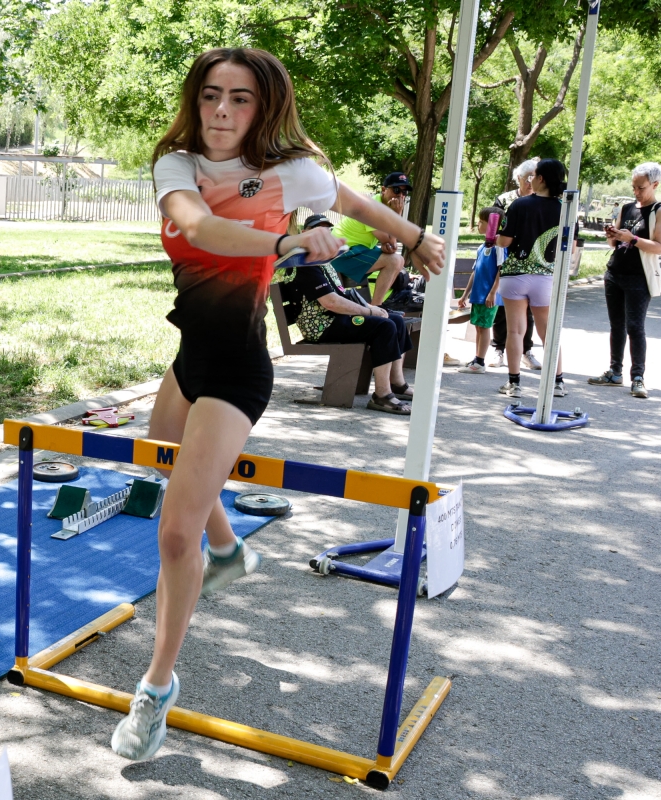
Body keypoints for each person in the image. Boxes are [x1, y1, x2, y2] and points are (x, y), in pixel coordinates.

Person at [110, 47, 444, 762]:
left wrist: (413, 237)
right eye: (210, 96)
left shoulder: (289, 171)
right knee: (164, 451)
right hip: (188, 356)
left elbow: (349, 200)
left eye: (239, 99)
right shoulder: (178, 165)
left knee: (174, 536)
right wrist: (288, 237)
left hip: (237, 367)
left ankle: (157, 691)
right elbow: (198, 229)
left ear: (263, 107)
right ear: (195, 101)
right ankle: (227, 550)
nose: (222, 112)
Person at [279, 214, 415, 413]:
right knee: (384, 325)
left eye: (327, 230)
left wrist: (372, 311)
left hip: (335, 320)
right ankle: (382, 395)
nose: (324, 235)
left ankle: (397, 384)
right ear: (304, 234)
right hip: (321, 327)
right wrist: (369, 310)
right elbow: (331, 302)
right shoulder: (305, 264)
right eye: (317, 230)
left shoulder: (323, 261)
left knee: (393, 319)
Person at [588, 162, 661, 399]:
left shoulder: (660, 211)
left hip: (639, 276)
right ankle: (615, 371)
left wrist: (632, 238)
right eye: (633, 187)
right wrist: (612, 236)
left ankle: (638, 377)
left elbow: (659, 247)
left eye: (641, 187)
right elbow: (615, 242)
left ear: (654, 185)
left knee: (635, 327)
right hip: (615, 273)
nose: (636, 192)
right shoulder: (626, 208)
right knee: (617, 325)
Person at [494, 158, 567, 399]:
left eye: (533, 175)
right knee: (548, 332)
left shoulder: (519, 205)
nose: (529, 179)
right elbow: (570, 246)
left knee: (515, 331)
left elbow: (504, 241)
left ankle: (514, 383)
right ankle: (557, 382)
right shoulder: (564, 209)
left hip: (515, 274)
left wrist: (496, 237)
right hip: (546, 276)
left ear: (541, 179)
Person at [328, 171, 410, 305]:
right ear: (384, 190)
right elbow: (392, 243)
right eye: (396, 190)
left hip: (354, 251)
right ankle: (376, 307)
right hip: (340, 255)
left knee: (396, 260)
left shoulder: (383, 207)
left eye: (404, 192)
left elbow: (390, 244)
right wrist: (398, 214)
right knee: (395, 261)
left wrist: (385, 245)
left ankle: (376, 307)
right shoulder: (371, 208)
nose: (400, 196)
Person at [491, 159, 539, 371]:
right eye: (526, 178)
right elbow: (493, 227)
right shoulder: (504, 199)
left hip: (531, 260)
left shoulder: (542, 200)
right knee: (501, 305)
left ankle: (526, 350)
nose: (530, 182)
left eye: (533, 177)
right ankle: (498, 348)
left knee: (528, 307)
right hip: (505, 255)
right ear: (518, 178)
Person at [456, 206, 505, 373]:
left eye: (482, 222)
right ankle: (477, 358)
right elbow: (475, 271)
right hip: (478, 294)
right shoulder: (482, 246)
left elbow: (501, 269)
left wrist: (492, 292)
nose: (478, 224)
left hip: (489, 296)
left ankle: (480, 363)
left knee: (484, 327)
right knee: (478, 327)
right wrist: (464, 294)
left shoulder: (499, 246)